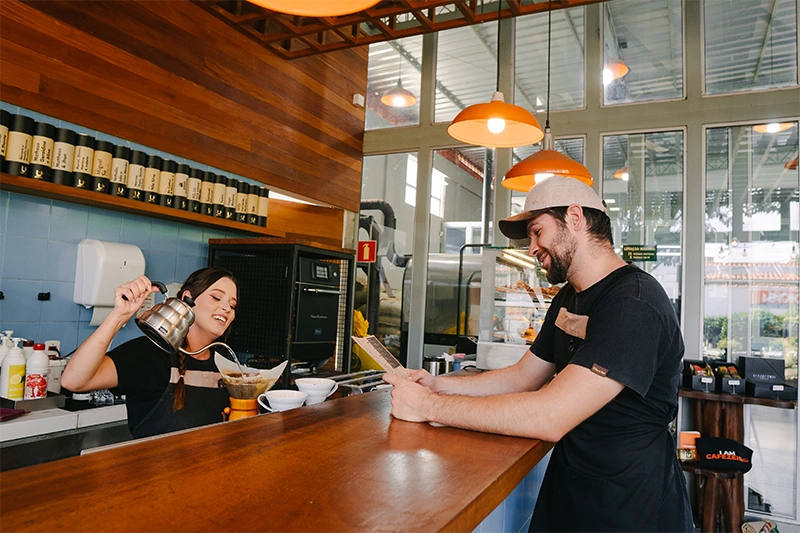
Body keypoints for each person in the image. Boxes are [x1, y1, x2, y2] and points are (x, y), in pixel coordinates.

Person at [382, 176, 693, 532]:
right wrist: (437, 386)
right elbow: (523, 377)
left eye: (537, 231)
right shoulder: (568, 298)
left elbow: (551, 415)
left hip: (629, 500)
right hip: (571, 483)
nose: (532, 248)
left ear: (575, 218)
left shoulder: (634, 304)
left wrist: (427, 407)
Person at [61, 267, 238, 439]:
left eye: (232, 305)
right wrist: (119, 316)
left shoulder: (225, 363)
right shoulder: (150, 353)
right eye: (216, 298)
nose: (227, 308)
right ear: (187, 298)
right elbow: (74, 381)